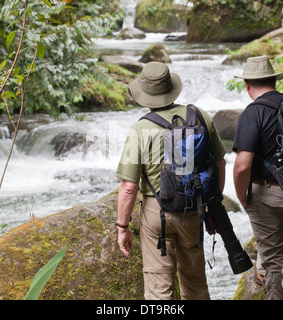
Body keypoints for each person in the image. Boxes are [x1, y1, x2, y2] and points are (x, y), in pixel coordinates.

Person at [116, 61, 226, 300]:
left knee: (159, 288)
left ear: (145, 95)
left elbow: (129, 187)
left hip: (157, 213)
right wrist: (212, 206)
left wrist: (122, 227)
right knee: (196, 284)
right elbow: (220, 163)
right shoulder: (200, 116)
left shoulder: (140, 129)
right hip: (193, 207)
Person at [232, 56, 283, 300]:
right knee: (271, 244)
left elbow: (242, 167)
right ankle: (262, 274)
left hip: (268, 196)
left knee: (277, 259)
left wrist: (242, 197)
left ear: (247, 85)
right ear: (274, 80)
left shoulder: (252, 114)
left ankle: (278, 293)